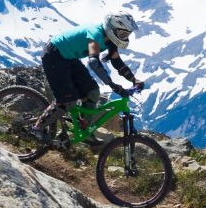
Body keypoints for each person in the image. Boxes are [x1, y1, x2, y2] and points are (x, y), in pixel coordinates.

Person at [31, 12, 144, 141]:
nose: (125, 37)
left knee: (92, 92)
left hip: (69, 58)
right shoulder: (96, 34)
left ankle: (84, 130)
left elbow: (117, 62)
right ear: (112, 29)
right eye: (123, 34)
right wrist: (111, 84)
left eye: (127, 34)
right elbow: (94, 62)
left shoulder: (110, 39)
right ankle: (37, 128)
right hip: (54, 55)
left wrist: (134, 79)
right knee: (68, 101)